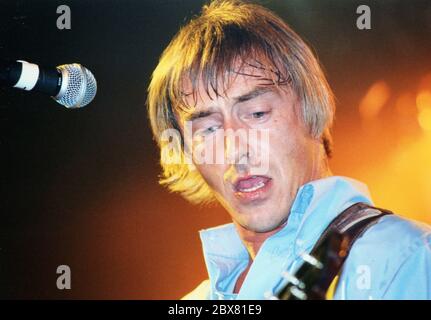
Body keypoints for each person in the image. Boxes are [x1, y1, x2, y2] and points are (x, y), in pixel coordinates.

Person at [146, 0, 431, 299]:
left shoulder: (405, 259)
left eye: (257, 114)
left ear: (311, 107)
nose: (234, 150)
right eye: (208, 129)